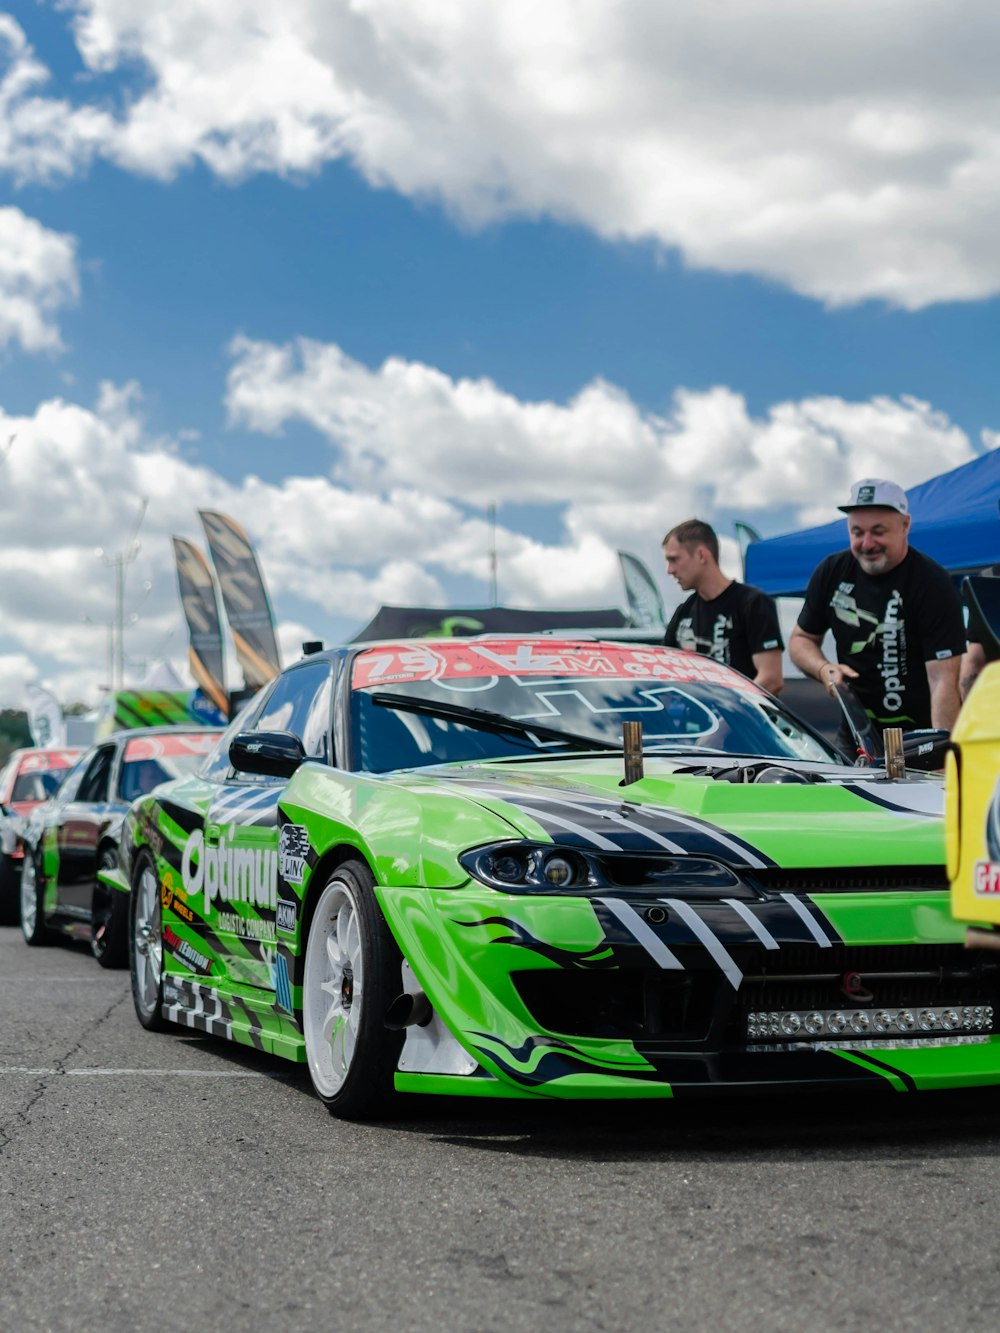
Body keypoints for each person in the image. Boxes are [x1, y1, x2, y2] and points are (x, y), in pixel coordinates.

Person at [789, 477, 964, 737]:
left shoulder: (932, 583)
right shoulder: (832, 571)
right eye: (857, 532)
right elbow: (801, 639)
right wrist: (824, 669)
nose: (867, 544)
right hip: (857, 734)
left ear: (905, 525)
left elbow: (943, 682)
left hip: (920, 735)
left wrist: (942, 757)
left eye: (878, 531)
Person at [662, 518, 784, 692]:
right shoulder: (684, 612)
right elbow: (664, 674)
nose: (669, 570)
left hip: (745, 718)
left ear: (701, 555)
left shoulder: (753, 603)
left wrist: (729, 715)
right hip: (698, 718)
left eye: (674, 560)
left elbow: (771, 679)